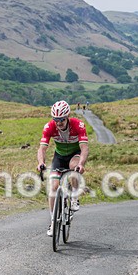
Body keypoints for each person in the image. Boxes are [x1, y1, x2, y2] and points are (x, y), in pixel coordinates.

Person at [36, 100, 89, 236]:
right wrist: (41, 162)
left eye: (61, 120)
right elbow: (42, 149)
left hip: (74, 155)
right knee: (53, 186)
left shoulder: (78, 125)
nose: (58, 123)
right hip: (59, 157)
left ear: (67, 117)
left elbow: (84, 148)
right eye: (56, 120)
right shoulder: (49, 127)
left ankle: (74, 197)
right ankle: (53, 222)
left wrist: (81, 164)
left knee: (73, 168)